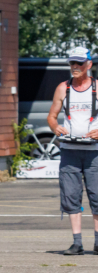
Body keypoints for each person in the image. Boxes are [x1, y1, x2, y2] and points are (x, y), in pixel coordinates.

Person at [47, 46, 98, 255]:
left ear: (89, 64)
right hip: (69, 150)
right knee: (71, 196)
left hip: (95, 151)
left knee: (97, 196)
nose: (75, 67)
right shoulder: (63, 88)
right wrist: (54, 127)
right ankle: (77, 243)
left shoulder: (96, 87)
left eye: (79, 63)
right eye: (72, 63)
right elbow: (52, 116)